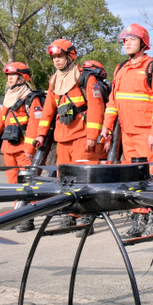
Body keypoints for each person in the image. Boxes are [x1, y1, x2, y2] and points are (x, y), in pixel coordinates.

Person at [99, 24, 153, 239]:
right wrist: (107, 127)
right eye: (125, 40)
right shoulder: (121, 69)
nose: (126, 42)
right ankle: (138, 217)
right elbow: (113, 102)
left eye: (131, 39)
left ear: (143, 43)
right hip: (127, 133)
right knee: (132, 177)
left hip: (148, 133)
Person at [34, 39, 106, 236]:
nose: (56, 61)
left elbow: (96, 108)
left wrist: (92, 135)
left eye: (60, 56)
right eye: (54, 57)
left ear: (70, 56)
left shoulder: (85, 79)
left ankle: (87, 215)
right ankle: (70, 213)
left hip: (83, 135)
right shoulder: (54, 81)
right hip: (63, 137)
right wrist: (41, 134)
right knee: (64, 179)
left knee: (85, 178)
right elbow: (48, 109)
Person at [0, 62, 43, 233]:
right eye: (8, 76)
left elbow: (35, 124)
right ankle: (17, 215)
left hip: (23, 150)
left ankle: (27, 218)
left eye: (13, 75)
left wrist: (30, 149)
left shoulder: (31, 98)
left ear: (23, 77)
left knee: (27, 185)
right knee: (14, 185)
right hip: (8, 148)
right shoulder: (6, 99)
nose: (10, 78)